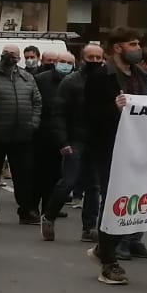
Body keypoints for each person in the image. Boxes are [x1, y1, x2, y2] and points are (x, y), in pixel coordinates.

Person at [82, 26, 147, 285]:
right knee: (113, 200)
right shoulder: (100, 76)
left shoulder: (138, 74)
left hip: (136, 147)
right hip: (109, 147)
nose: (139, 49)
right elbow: (89, 115)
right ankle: (109, 261)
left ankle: (105, 247)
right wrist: (111, 108)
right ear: (118, 48)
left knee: (134, 200)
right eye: (134, 44)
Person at [0, 43, 42, 226]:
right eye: (7, 53)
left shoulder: (27, 77)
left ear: (19, 57)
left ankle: (26, 211)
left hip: (22, 135)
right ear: (1, 55)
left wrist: (33, 123)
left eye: (14, 54)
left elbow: (37, 102)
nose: (11, 57)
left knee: (23, 175)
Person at [49, 43, 107, 241]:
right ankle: (49, 217)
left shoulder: (106, 80)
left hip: (97, 140)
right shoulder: (71, 82)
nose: (95, 61)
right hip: (74, 139)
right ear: (82, 59)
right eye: (91, 57)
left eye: (98, 58)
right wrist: (62, 141)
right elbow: (58, 113)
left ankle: (89, 228)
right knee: (69, 181)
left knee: (93, 186)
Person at [31, 48, 69, 240]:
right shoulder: (41, 79)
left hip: (63, 134)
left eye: (67, 62)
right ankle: (33, 207)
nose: (64, 65)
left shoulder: (72, 80)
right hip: (43, 132)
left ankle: (49, 207)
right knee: (39, 173)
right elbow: (35, 102)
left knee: (56, 174)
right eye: (60, 61)